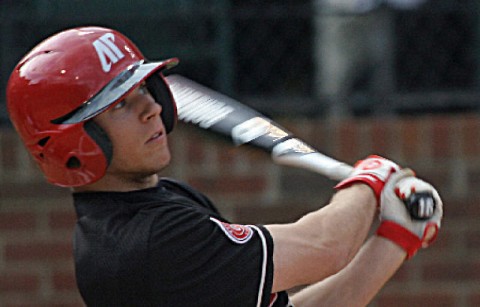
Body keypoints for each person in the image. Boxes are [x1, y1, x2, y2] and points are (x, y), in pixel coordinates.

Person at [6, 26, 443, 307]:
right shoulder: (149, 243)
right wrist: (372, 177)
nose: (152, 109)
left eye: (146, 90)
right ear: (74, 143)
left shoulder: (153, 208)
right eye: (121, 104)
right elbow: (326, 247)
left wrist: (395, 239)